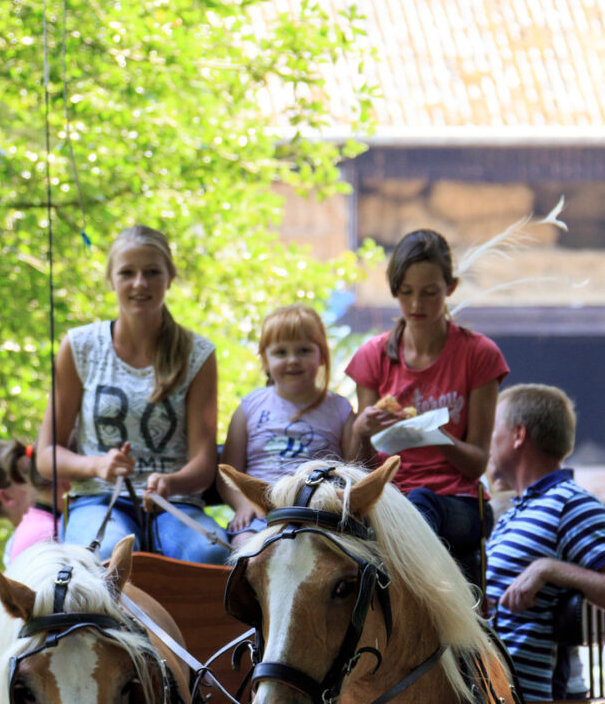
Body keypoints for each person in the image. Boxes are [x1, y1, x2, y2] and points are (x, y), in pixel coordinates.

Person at [36, 224, 228, 564]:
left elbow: (204, 461)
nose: (140, 283)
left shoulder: (197, 353)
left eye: (152, 272)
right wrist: (97, 465)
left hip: (173, 503)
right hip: (97, 499)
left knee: (211, 554)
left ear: (169, 277)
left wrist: (172, 482)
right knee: (105, 554)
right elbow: (46, 455)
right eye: (127, 273)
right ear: (111, 279)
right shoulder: (79, 346)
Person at [346, 229, 508, 585]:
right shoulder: (373, 356)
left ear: (450, 288)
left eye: (430, 293)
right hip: (388, 498)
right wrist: (361, 429)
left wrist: (432, 437)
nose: (417, 305)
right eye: (406, 293)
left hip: (459, 502)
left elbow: (478, 461)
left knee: (419, 503)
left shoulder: (478, 355)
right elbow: (360, 463)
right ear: (394, 290)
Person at [485, 383, 605, 704]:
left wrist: (550, 569)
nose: (486, 439)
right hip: (488, 693)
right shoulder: (518, 510)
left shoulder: (571, 504)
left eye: (492, 428)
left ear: (518, 435)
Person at [220, 305, 354, 549]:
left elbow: (354, 471)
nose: (293, 360)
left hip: (319, 514)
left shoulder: (340, 410)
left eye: (304, 350)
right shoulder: (249, 408)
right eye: (281, 352)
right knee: (245, 547)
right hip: (263, 514)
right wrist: (243, 504)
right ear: (265, 360)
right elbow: (228, 474)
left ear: (322, 355)